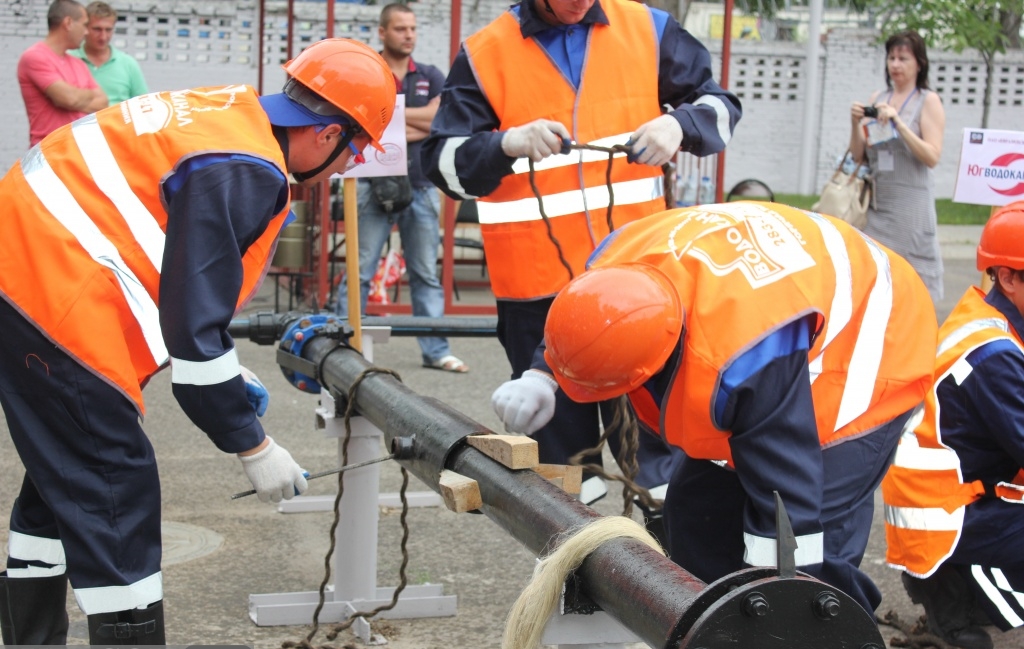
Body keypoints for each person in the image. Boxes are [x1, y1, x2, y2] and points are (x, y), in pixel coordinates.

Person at [0, 38, 396, 646]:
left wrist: (227, 376)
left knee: (61, 480)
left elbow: (167, 273)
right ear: (325, 134)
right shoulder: (246, 168)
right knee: (114, 487)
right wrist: (253, 445)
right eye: (356, 149)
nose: (349, 166)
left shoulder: (226, 115)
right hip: (51, 300)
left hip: (25, 275)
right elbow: (193, 336)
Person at [497, 201, 938, 616]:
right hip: (790, 305)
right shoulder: (620, 261)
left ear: (654, 364)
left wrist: (781, 604)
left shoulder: (743, 358)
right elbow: (595, 314)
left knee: (814, 540)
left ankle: (836, 646)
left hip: (877, 341)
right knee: (695, 516)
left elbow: (789, 501)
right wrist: (543, 374)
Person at [423, 0, 741, 503]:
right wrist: (504, 145)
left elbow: (722, 107)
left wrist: (680, 124)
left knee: (663, 468)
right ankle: (577, 572)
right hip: (537, 294)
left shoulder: (649, 29)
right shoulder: (485, 53)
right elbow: (440, 165)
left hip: (639, 287)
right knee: (565, 480)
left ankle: (674, 568)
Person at [881, 202, 1024, 649]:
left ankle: (965, 580)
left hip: (959, 498)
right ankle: (950, 588)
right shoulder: (993, 355)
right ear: (1009, 278)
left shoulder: (993, 321)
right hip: (941, 517)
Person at [336, 3, 468, 374]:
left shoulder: (430, 74)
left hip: (422, 185)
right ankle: (339, 347)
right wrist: (415, 121)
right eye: (399, 29)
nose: (408, 35)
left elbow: (440, 120)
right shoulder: (365, 73)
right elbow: (357, 125)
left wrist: (389, 117)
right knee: (359, 271)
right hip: (369, 183)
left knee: (425, 273)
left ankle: (436, 350)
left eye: (412, 28)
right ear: (382, 32)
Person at [849, 30, 946, 303]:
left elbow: (932, 156)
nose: (895, 65)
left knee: (912, 290)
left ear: (919, 63)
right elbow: (860, 156)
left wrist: (899, 124)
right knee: (874, 281)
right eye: (891, 58)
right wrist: (855, 123)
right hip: (880, 208)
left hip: (911, 213)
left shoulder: (927, 101)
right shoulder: (879, 96)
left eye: (903, 58)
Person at [17, 0, 107, 147]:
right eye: (84, 25)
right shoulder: (34, 57)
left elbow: (102, 102)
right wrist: (87, 95)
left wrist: (75, 99)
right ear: (68, 22)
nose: (86, 32)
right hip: (48, 155)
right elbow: (69, 99)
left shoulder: (77, 63)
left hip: (78, 153)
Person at [69, 1, 149, 105]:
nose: (103, 37)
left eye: (108, 30)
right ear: (85, 28)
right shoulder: (69, 58)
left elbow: (144, 104)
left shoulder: (128, 64)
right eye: (97, 29)